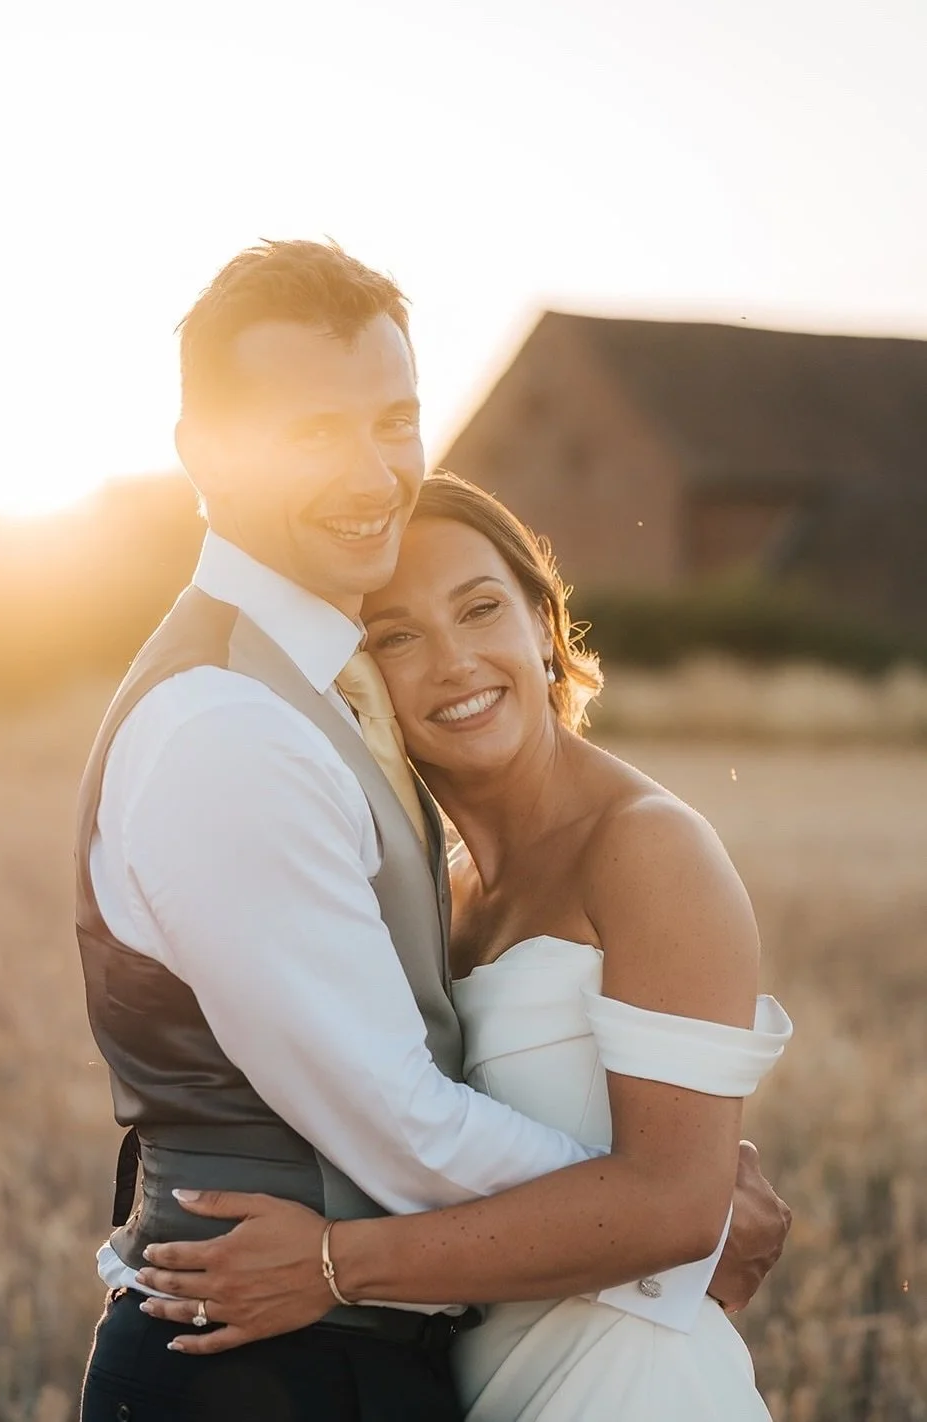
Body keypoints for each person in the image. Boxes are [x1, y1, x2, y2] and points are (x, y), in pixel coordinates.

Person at [76, 241, 791, 1422]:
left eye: (393, 420)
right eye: (311, 432)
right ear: (206, 452)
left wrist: (673, 1194)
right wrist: (682, 1208)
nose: (369, 473)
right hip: (261, 1372)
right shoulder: (228, 721)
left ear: (544, 623)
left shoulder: (313, 703)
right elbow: (396, 1121)